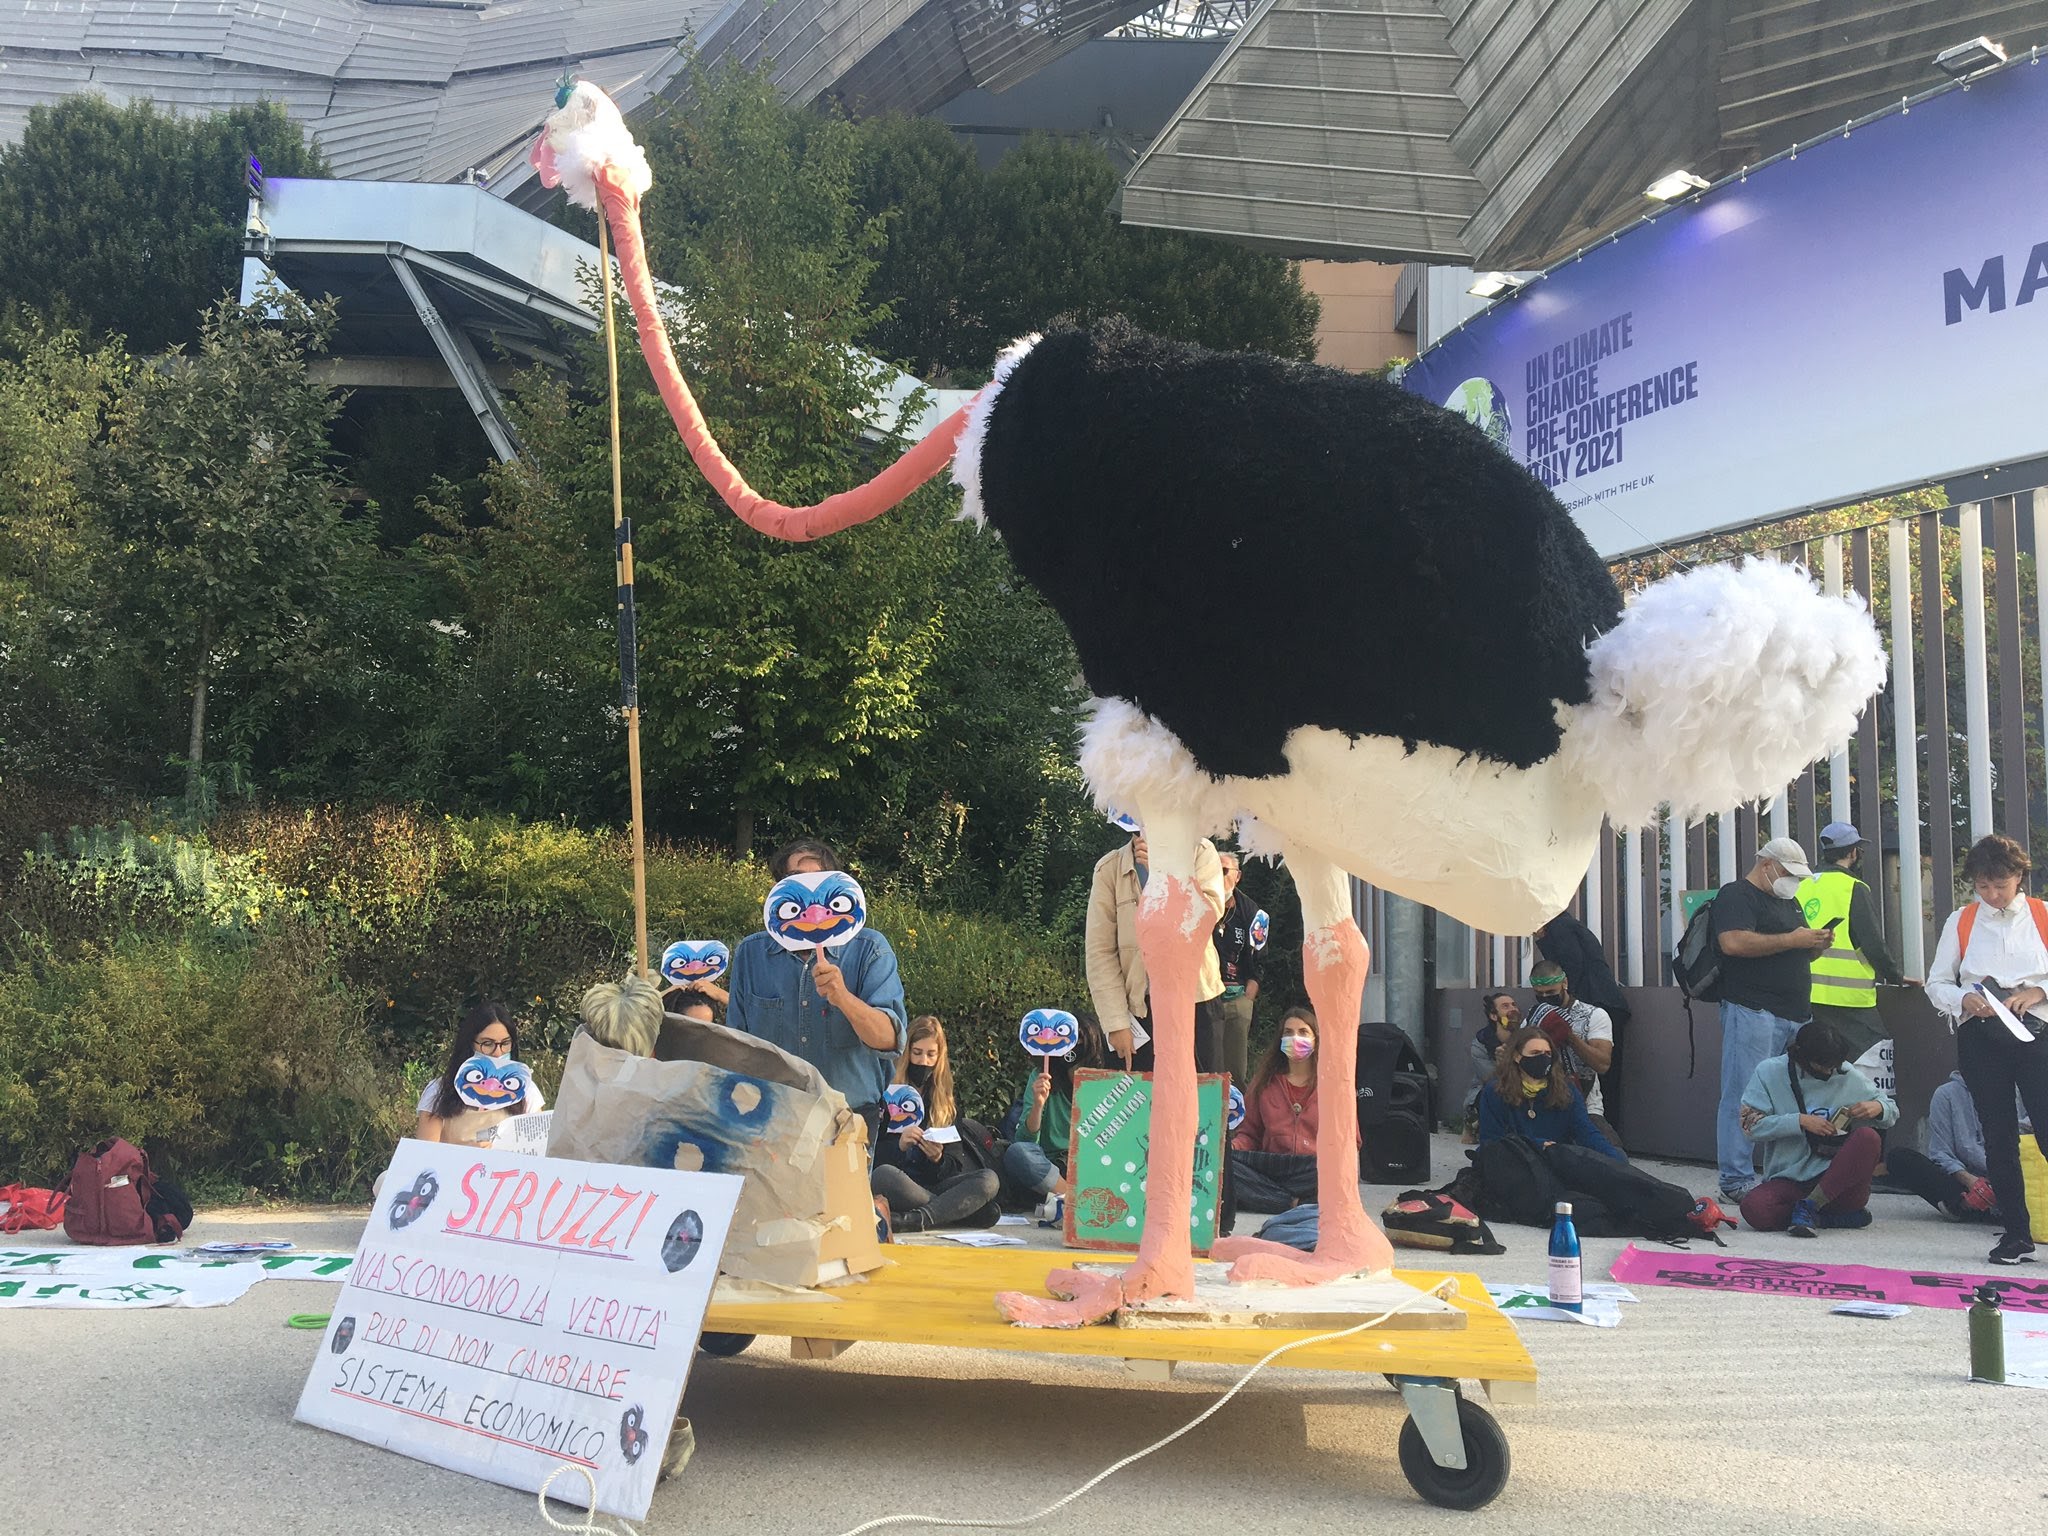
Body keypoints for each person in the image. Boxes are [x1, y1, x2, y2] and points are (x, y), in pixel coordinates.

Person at [1922, 832, 2048, 1265]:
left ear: (2019, 877)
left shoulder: (2043, 915)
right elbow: (1937, 982)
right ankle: (2016, 1234)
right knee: (1998, 1136)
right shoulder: (1962, 920)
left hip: (2037, 1030)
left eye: (2000, 884)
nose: (1992, 894)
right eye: (1983, 886)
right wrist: (1963, 1000)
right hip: (1982, 1033)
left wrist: (2036, 991)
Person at [725, 837, 908, 1128]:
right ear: (778, 890)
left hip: (848, 1119)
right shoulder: (752, 953)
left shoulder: (870, 949)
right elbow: (736, 1043)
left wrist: (843, 997)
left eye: (819, 880)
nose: (811, 895)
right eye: (796, 880)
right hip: (772, 1119)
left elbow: (890, 1040)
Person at [1710, 838, 1833, 1203]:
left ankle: (1781, 1175)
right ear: (1767, 865)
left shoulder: (1789, 902)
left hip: (1792, 1012)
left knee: (1786, 1098)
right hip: (1752, 1009)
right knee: (1743, 1094)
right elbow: (1733, 943)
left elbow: (1792, 951)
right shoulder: (1736, 895)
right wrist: (1794, 940)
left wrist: (1815, 944)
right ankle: (1735, 1178)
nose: (1792, 882)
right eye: (1789, 873)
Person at [1084, 822, 1227, 1072]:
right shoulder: (1109, 869)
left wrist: (1164, 872)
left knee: (1201, 1099)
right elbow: (1100, 951)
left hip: (1197, 1003)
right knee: (1136, 1104)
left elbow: (1207, 917)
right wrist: (1116, 1022)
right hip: (1137, 1010)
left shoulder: (1201, 852)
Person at [1737, 1019, 1895, 1236]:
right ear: (1801, 1056)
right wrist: (1799, 1121)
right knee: (1754, 1209)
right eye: (1823, 1067)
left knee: (1868, 1137)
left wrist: (1877, 1108)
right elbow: (1750, 1125)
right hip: (1790, 1178)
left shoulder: (1846, 1074)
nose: (1830, 1072)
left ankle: (1810, 1207)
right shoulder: (1769, 1072)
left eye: (1834, 1067)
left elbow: (1891, 1111)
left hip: (1837, 1182)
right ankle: (1824, 1218)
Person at [870, 1016, 1000, 1233]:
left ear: (940, 1057)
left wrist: (937, 1159)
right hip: (900, 1183)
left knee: (989, 1179)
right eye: (917, 1052)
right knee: (883, 1175)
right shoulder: (888, 1093)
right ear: (906, 1052)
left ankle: (916, 1219)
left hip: (933, 1184)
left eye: (931, 1055)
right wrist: (899, 1146)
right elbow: (871, 1155)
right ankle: (956, 1211)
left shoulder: (944, 1101)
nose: (923, 1062)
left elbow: (954, 1164)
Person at [1795, 821, 1910, 1064]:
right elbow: (1872, 943)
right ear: (1852, 852)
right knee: (1875, 1056)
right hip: (1848, 998)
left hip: (1804, 993)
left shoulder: (1801, 886)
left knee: (1815, 1061)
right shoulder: (1853, 888)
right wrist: (1895, 976)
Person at [1229, 1007, 1354, 1212]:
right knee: (1227, 1165)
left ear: (1316, 1040)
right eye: (1288, 1033)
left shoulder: (1333, 1086)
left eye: (1303, 1032)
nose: (1295, 1038)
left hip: (1312, 1167)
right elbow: (1250, 1134)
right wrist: (1232, 1148)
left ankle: (1271, 1199)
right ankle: (1294, 1203)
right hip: (1271, 1164)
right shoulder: (1264, 1084)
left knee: (1336, 1172)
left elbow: (1350, 1141)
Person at [1000, 1012, 1113, 1223]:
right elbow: (1025, 1141)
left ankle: (1069, 1201)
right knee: (1018, 1153)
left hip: (1088, 1166)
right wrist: (1038, 1105)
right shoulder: (1042, 1078)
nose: (1075, 1053)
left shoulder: (1103, 1083)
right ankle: (1077, 1203)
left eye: (1081, 1044)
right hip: (1050, 1169)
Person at [1475, 1024, 1623, 1160]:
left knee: (1616, 1157)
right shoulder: (1495, 1091)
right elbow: (1491, 1141)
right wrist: (1538, 1145)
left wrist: (1615, 1159)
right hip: (1514, 1163)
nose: (1542, 1058)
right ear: (1516, 1056)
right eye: (1535, 1053)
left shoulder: (1566, 1090)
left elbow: (1586, 1131)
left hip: (1555, 1162)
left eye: (1547, 1053)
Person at [415, 1001, 545, 1145]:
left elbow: (536, 1147)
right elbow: (426, 1153)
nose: (497, 1052)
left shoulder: (526, 1091)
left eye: (505, 1043)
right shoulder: (439, 1091)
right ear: (470, 1044)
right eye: (487, 1044)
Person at [1887, 1071, 2004, 1222]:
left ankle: (1990, 1210)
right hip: (1966, 1183)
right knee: (1899, 1158)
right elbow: (1941, 1153)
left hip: (2014, 1180)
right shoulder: (1947, 1094)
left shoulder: (2020, 1091)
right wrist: (1971, 1182)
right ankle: (1964, 1206)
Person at [1529, 961, 1619, 1148]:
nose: (1545, 998)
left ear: (1565, 984)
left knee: (1612, 1154)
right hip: (1541, 1101)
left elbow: (1603, 1064)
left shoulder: (1594, 1015)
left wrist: (1570, 1037)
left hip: (1586, 1104)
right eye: (1540, 994)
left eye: (1551, 993)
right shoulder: (1534, 1016)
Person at [1210, 849, 1264, 1087]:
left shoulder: (1252, 912)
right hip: (1203, 995)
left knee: (1234, 1069)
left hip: (1236, 994)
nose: (1217, 876)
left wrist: (1250, 993)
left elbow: (1260, 958)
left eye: (1223, 871)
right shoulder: (1197, 903)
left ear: (1238, 875)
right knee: (1206, 1064)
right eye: (1212, 870)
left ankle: (1236, 1119)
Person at [1533, 908, 1631, 1026]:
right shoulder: (1565, 924)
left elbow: (1569, 966)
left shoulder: (1560, 926)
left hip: (1595, 1001)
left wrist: (1569, 1002)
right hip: (1604, 1000)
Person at [1463, 991, 1520, 1143]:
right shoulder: (1480, 1044)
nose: (1512, 1009)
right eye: (1505, 1006)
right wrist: (1504, 1063)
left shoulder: (1526, 1038)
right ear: (1494, 1016)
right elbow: (1489, 1078)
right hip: (1491, 1090)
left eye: (1514, 1005)